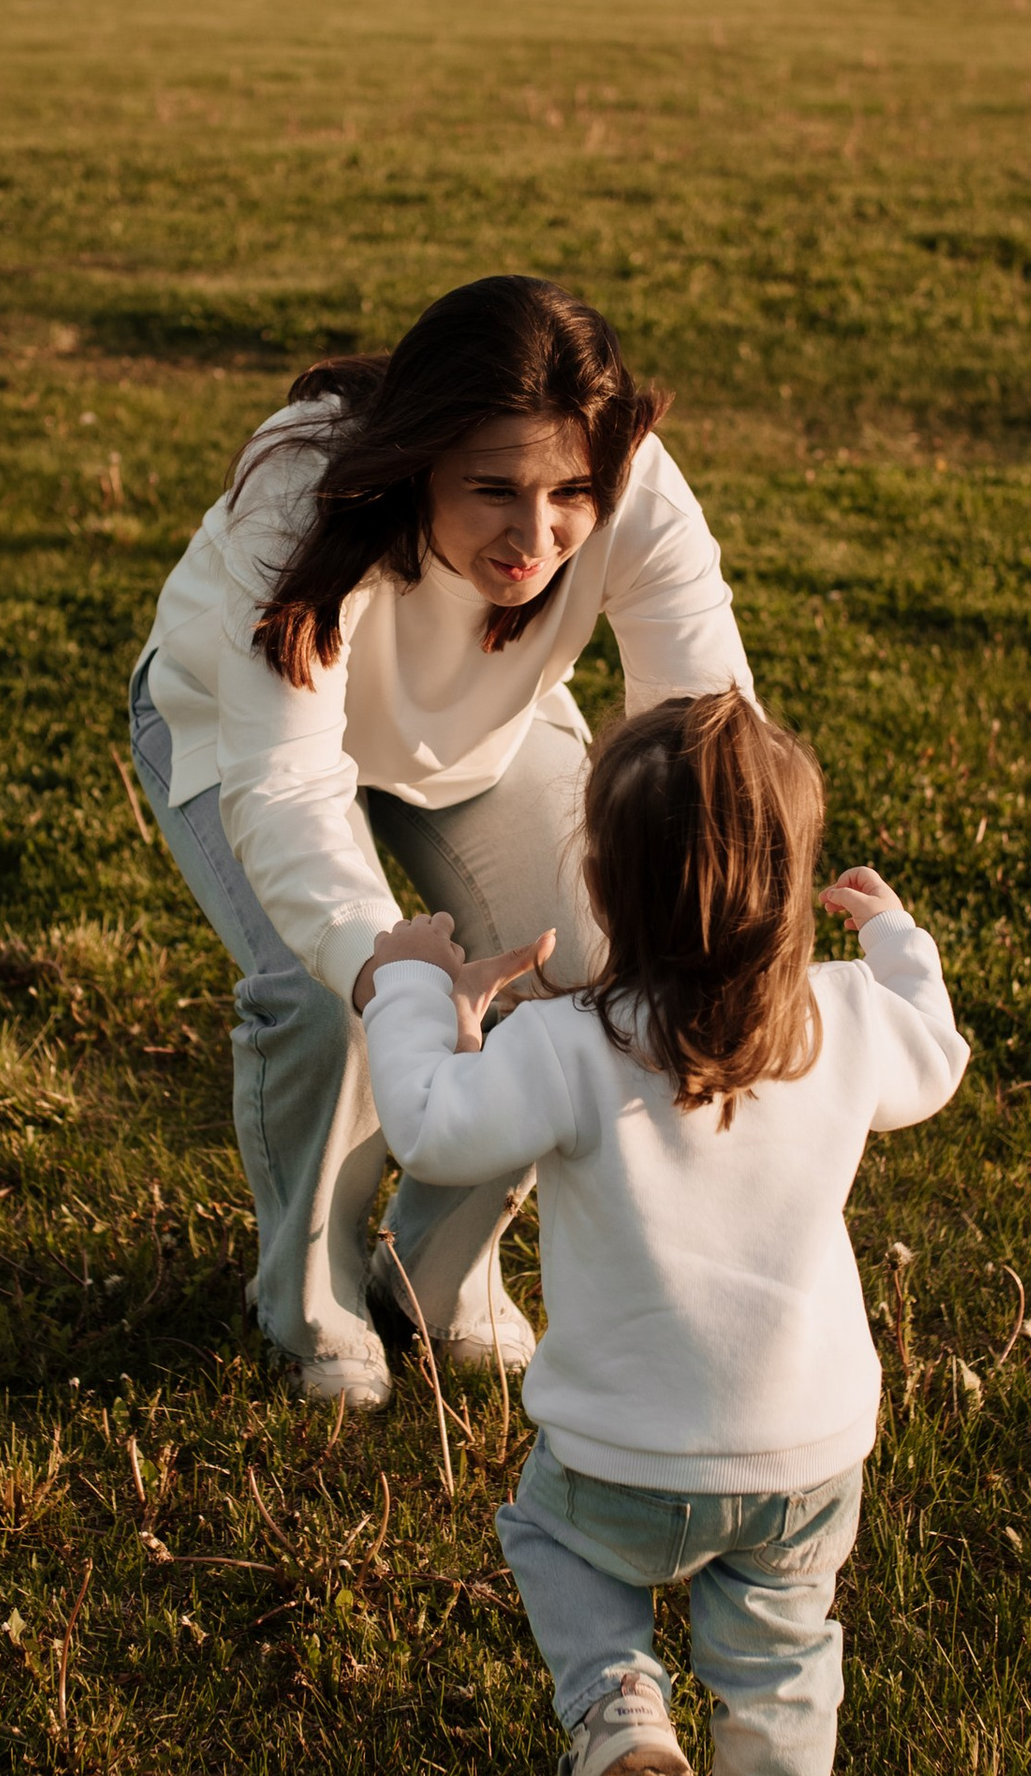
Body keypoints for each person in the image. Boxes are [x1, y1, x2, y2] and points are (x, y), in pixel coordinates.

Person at [358, 689, 969, 1776]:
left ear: (600, 887)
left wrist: (417, 988)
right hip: (804, 1456)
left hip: (620, 1458)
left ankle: (618, 1700)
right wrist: (896, 936)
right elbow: (935, 1049)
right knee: (780, 1656)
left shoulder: (568, 1044)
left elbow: (432, 1124)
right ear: (790, 894)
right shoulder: (844, 1020)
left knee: (551, 1539)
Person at [128, 274, 752, 1412]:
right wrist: (384, 970)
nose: (535, 535)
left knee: (591, 969)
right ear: (419, 460)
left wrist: (712, 927)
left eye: (570, 493)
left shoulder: (637, 489)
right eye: (493, 489)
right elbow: (286, 778)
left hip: (479, 739)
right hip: (236, 728)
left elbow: (698, 745)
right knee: (326, 1003)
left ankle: (433, 1275)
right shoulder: (302, 490)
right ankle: (310, 1307)